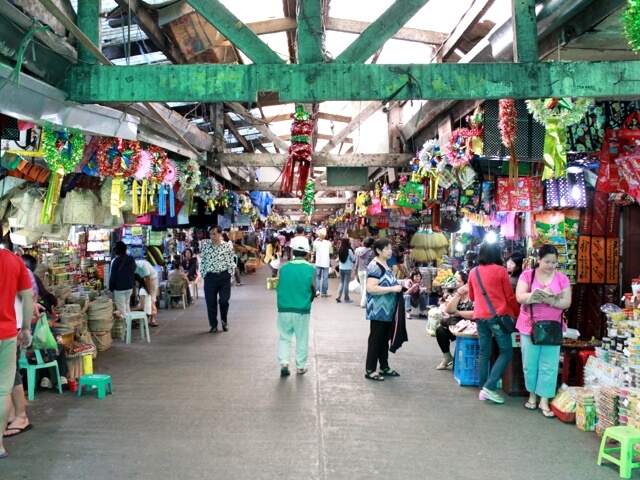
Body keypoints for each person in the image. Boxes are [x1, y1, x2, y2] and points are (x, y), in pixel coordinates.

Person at [515, 244, 572, 418]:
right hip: (529, 326)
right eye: (547, 261)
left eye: (554, 262)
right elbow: (520, 297)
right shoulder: (527, 275)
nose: (550, 265)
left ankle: (544, 400)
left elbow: (567, 302)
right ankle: (532, 395)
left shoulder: (562, 279)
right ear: (538, 260)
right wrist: (537, 295)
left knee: (550, 365)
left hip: (553, 327)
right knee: (530, 364)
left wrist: (552, 300)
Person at [467, 242, 519, 404]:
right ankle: (489, 387)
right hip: (497, 316)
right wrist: (517, 313)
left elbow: (472, 297)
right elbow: (510, 297)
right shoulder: (501, 271)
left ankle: (483, 386)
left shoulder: (473, 272)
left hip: (480, 316)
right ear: (496, 254)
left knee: (484, 352)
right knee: (506, 352)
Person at [0, 224, 34, 459]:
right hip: (8, 333)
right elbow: (28, 298)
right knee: (2, 390)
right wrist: (25, 329)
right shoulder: (14, 260)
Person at [364, 238, 404, 381]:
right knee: (376, 339)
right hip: (378, 310)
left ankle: (384, 367)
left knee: (383, 340)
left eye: (390, 248)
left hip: (388, 311)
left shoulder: (386, 265)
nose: (390, 251)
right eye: (386, 248)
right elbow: (371, 288)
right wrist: (393, 288)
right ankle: (370, 369)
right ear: (378, 251)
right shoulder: (375, 266)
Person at [276, 236, 315, 376]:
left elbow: (279, 286)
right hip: (302, 309)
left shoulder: (284, 268)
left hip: (284, 309)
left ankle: (284, 363)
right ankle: (300, 366)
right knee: (302, 338)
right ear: (306, 253)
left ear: (292, 251)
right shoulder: (311, 269)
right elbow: (313, 289)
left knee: (284, 337)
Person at [434, 271, 474, 370]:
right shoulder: (457, 294)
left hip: (472, 327)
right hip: (456, 325)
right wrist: (458, 294)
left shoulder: (474, 295)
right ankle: (447, 357)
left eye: (459, 281)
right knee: (440, 331)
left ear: (466, 283)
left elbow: (475, 314)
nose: (456, 283)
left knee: (456, 367)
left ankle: (458, 361)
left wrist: (459, 313)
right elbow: (449, 310)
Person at [201, 226, 236, 333]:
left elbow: (231, 261)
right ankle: (213, 324)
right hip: (210, 277)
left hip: (224, 277)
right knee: (210, 302)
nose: (212, 236)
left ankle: (224, 321)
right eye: (210, 234)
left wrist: (230, 274)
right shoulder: (206, 247)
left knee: (224, 301)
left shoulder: (226, 247)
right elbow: (203, 262)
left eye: (214, 234)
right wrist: (204, 275)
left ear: (220, 234)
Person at [108, 241, 136, 316]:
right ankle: (128, 324)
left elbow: (112, 276)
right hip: (130, 286)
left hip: (119, 288)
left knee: (121, 309)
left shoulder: (116, 261)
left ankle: (125, 325)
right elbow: (133, 271)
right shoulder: (131, 259)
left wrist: (110, 289)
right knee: (127, 305)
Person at [354, 237, 375, 308]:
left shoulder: (359, 251)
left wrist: (355, 270)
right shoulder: (371, 252)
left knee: (362, 286)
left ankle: (363, 300)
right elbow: (373, 262)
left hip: (360, 270)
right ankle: (363, 303)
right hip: (367, 271)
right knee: (366, 287)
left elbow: (357, 261)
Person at [313, 229, 333, 297]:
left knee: (317, 277)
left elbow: (314, 251)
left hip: (318, 262)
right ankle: (324, 292)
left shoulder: (315, 243)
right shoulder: (329, 243)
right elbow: (331, 253)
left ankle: (317, 290)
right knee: (325, 277)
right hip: (326, 263)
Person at [335, 238, 355, 303]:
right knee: (346, 283)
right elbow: (353, 259)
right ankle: (346, 298)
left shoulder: (340, 249)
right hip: (348, 268)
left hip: (341, 268)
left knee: (341, 282)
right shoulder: (349, 251)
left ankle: (338, 296)